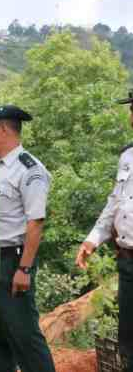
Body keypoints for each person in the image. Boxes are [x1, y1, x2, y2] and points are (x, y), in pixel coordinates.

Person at [0, 105, 56, 372]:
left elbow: (36, 222)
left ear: (4, 129)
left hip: (14, 259)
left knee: (23, 334)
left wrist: (24, 269)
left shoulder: (29, 170)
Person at [77, 89, 133, 370]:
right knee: (128, 338)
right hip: (128, 260)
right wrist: (93, 239)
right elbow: (115, 203)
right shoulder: (127, 156)